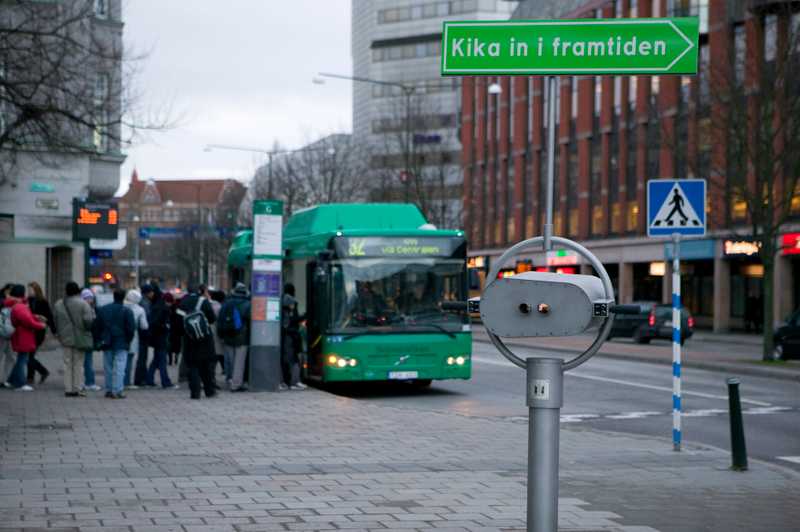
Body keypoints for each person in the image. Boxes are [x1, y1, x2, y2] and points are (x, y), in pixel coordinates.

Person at [53, 282, 95, 397]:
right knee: (78, 364)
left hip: (65, 337)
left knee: (67, 363)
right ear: (78, 291)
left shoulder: (59, 304)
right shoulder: (83, 304)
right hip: (80, 337)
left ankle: (68, 388)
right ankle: (77, 388)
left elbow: (55, 321)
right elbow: (88, 322)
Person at [176, 285, 217, 399]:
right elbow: (212, 318)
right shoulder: (204, 301)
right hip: (205, 339)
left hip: (189, 339)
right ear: (201, 291)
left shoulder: (182, 302)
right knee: (206, 365)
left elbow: (178, 323)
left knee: (192, 366)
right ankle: (209, 391)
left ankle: (195, 392)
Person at [94, 289, 135, 399]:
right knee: (120, 367)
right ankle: (118, 390)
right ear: (124, 297)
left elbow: (97, 326)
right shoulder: (127, 311)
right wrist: (128, 340)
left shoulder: (103, 309)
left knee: (108, 367)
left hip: (107, 341)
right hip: (122, 342)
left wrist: (98, 340)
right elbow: (131, 329)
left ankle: (109, 389)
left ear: (114, 296)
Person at [5, 284, 45, 391]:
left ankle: (10, 381)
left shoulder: (16, 304)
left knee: (20, 359)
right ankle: (20, 384)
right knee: (22, 360)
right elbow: (27, 321)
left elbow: (27, 318)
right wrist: (40, 325)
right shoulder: (20, 306)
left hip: (20, 335)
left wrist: (35, 317)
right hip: (23, 336)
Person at [218, 282, 250, 392]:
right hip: (241, 336)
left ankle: (230, 379)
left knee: (230, 360)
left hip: (227, 335)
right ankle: (236, 384)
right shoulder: (247, 304)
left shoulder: (227, 303)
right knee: (239, 362)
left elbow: (220, 320)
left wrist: (221, 335)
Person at [145, 285, 177, 389]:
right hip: (161, 336)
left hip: (156, 336)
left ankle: (149, 379)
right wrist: (166, 326)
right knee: (162, 360)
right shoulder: (161, 306)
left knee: (157, 359)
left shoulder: (156, 304)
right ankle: (165, 381)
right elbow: (158, 321)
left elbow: (154, 321)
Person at [26, 281, 53, 384]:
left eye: (30, 289)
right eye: (28, 289)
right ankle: (31, 377)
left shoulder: (43, 301)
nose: (29, 291)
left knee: (29, 355)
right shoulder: (27, 301)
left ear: (36, 290)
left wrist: (42, 318)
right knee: (29, 355)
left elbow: (49, 317)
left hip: (38, 331)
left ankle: (41, 372)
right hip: (29, 330)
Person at [281, 283, 306, 391]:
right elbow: (293, 320)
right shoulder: (290, 305)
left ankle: (290, 382)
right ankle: (294, 382)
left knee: (289, 359)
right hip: (291, 336)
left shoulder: (282, 303)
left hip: (287, 336)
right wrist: (304, 316)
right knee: (293, 359)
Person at [123, 290, 149, 390]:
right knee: (129, 361)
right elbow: (144, 326)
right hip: (133, 337)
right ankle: (127, 382)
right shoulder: (140, 309)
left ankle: (117, 381)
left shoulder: (122, 306)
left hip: (120, 336)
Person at [79, 289, 101, 391]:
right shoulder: (87, 310)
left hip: (87, 338)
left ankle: (86, 382)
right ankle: (89, 382)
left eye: (91, 298)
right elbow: (90, 325)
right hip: (85, 338)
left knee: (86, 361)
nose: (89, 300)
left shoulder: (93, 309)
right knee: (86, 362)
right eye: (87, 298)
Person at [133, 284, 153, 386]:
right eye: (151, 292)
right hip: (143, 333)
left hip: (141, 334)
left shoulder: (142, 302)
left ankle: (141, 378)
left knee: (142, 357)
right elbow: (147, 318)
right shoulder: (145, 303)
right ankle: (140, 379)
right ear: (147, 293)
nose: (152, 294)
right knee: (142, 357)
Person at [1, 284, 17, 387]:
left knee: (11, 358)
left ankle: (6, 380)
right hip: (2, 333)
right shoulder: (2, 301)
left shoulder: (13, 302)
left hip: (10, 334)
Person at [209, 289, 226, 384]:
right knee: (215, 358)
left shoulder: (208, 305)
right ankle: (211, 380)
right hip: (217, 335)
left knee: (212, 359)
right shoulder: (219, 308)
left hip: (209, 334)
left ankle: (210, 379)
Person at [164, 292, 181, 365]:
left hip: (170, 328)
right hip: (177, 328)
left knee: (169, 345)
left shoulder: (166, 307)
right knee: (177, 344)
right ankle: (176, 357)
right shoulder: (178, 307)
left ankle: (170, 360)